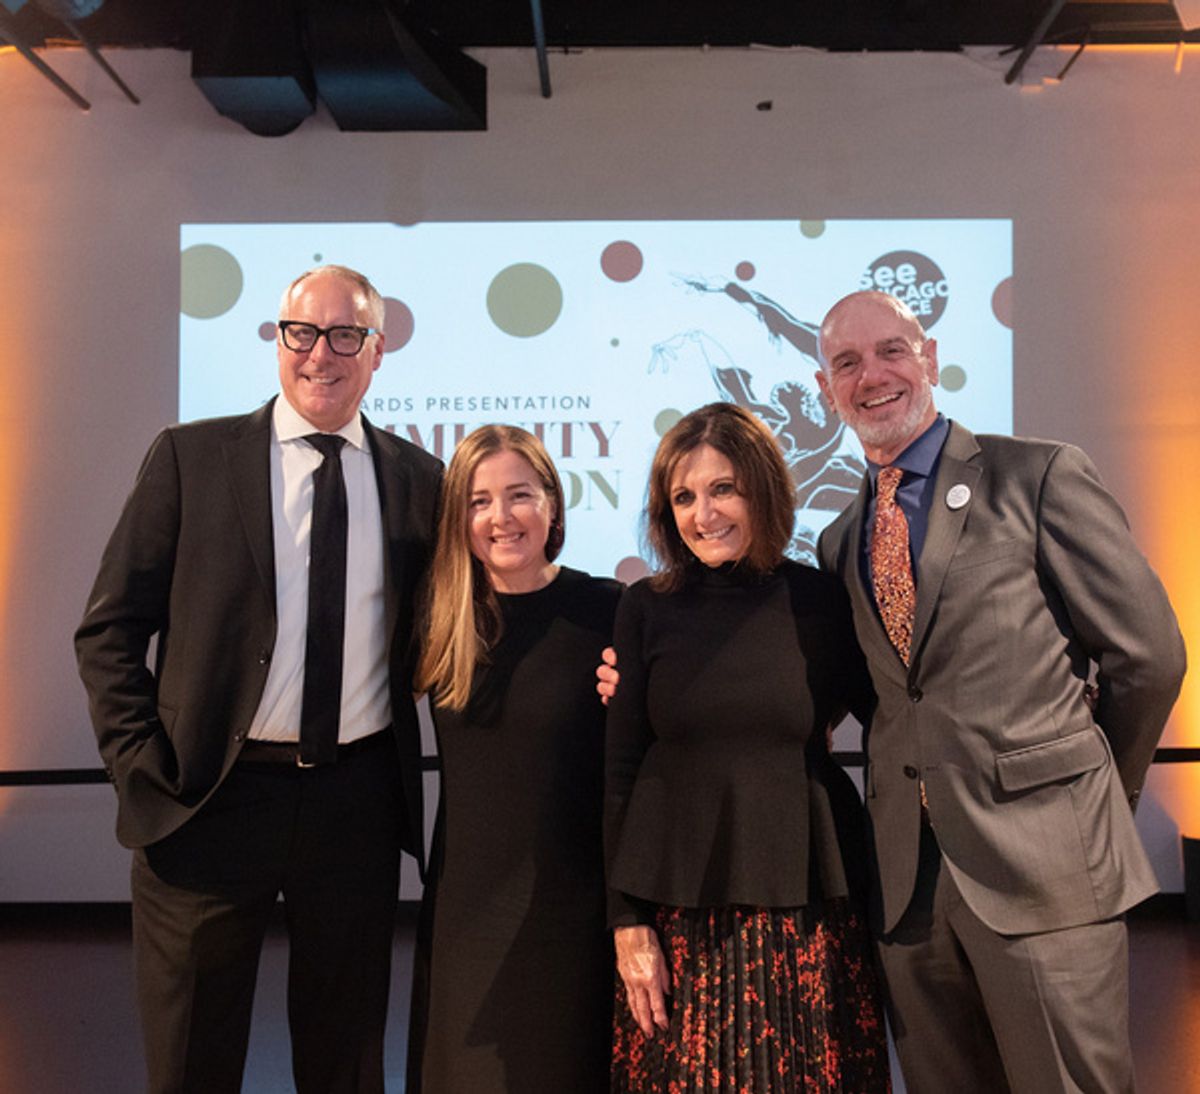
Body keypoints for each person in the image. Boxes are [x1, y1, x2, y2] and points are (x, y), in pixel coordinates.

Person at [74, 265, 442, 1093]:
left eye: (346, 335)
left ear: (377, 352)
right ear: (277, 341)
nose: (322, 354)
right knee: (191, 1061)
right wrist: (143, 769)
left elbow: (450, 632)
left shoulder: (419, 481)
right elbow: (108, 630)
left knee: (345, 1060)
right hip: (209, 799)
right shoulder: (190, 459)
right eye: (302, 333)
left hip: (353, 804)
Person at [812, 289, 1186, 1092]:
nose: (871, 375)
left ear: (931, 359)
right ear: (824, 390)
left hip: (1048, 872)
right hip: (910, 897)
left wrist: (1095, 801)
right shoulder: (839, 539)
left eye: (891, 351)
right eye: (846, 363)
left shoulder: (1037, 475)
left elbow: (1149, 657)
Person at [605, 402, 889, 1092]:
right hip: (681, 921)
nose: (704, 514)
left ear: (762, 487)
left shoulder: (823, 601)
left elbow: (896, 708)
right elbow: (619, 772)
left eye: (723, 488)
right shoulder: (646, 607)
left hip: (809, 916)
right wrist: (627, 924)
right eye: (683, 496)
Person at [408, 425, 620, 1093]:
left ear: (553, 504)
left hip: (572, 912)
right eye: (478, 501)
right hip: (463, 911)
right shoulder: (439, 616)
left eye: (519, 494)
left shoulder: (609, 611)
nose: (501, 518)